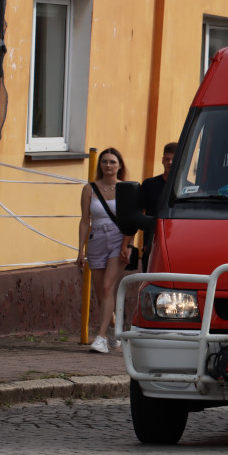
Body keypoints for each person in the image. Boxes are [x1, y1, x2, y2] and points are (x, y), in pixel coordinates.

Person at [77, 147, 133, 354]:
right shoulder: (89, 189)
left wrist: (127, 244)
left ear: (119, 165)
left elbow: (130, 221)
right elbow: (85, 221)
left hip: (118, 239)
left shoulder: (126, 189)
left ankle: (100, 337)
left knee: (109, 287)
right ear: (100, 165)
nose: (108, 165)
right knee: (101, 293)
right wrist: (80, 251)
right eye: (104, 162)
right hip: (96, 239)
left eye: (112, 162)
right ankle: (112, 327)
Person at [140, 142, 176, 271]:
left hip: (176, 248)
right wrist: (127, 244)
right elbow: (138, 213)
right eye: (167, 159)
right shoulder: (149, 185)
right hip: (151, 248)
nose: (170, 162)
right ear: (162, 160)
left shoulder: (188, 189)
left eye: (174, 159)